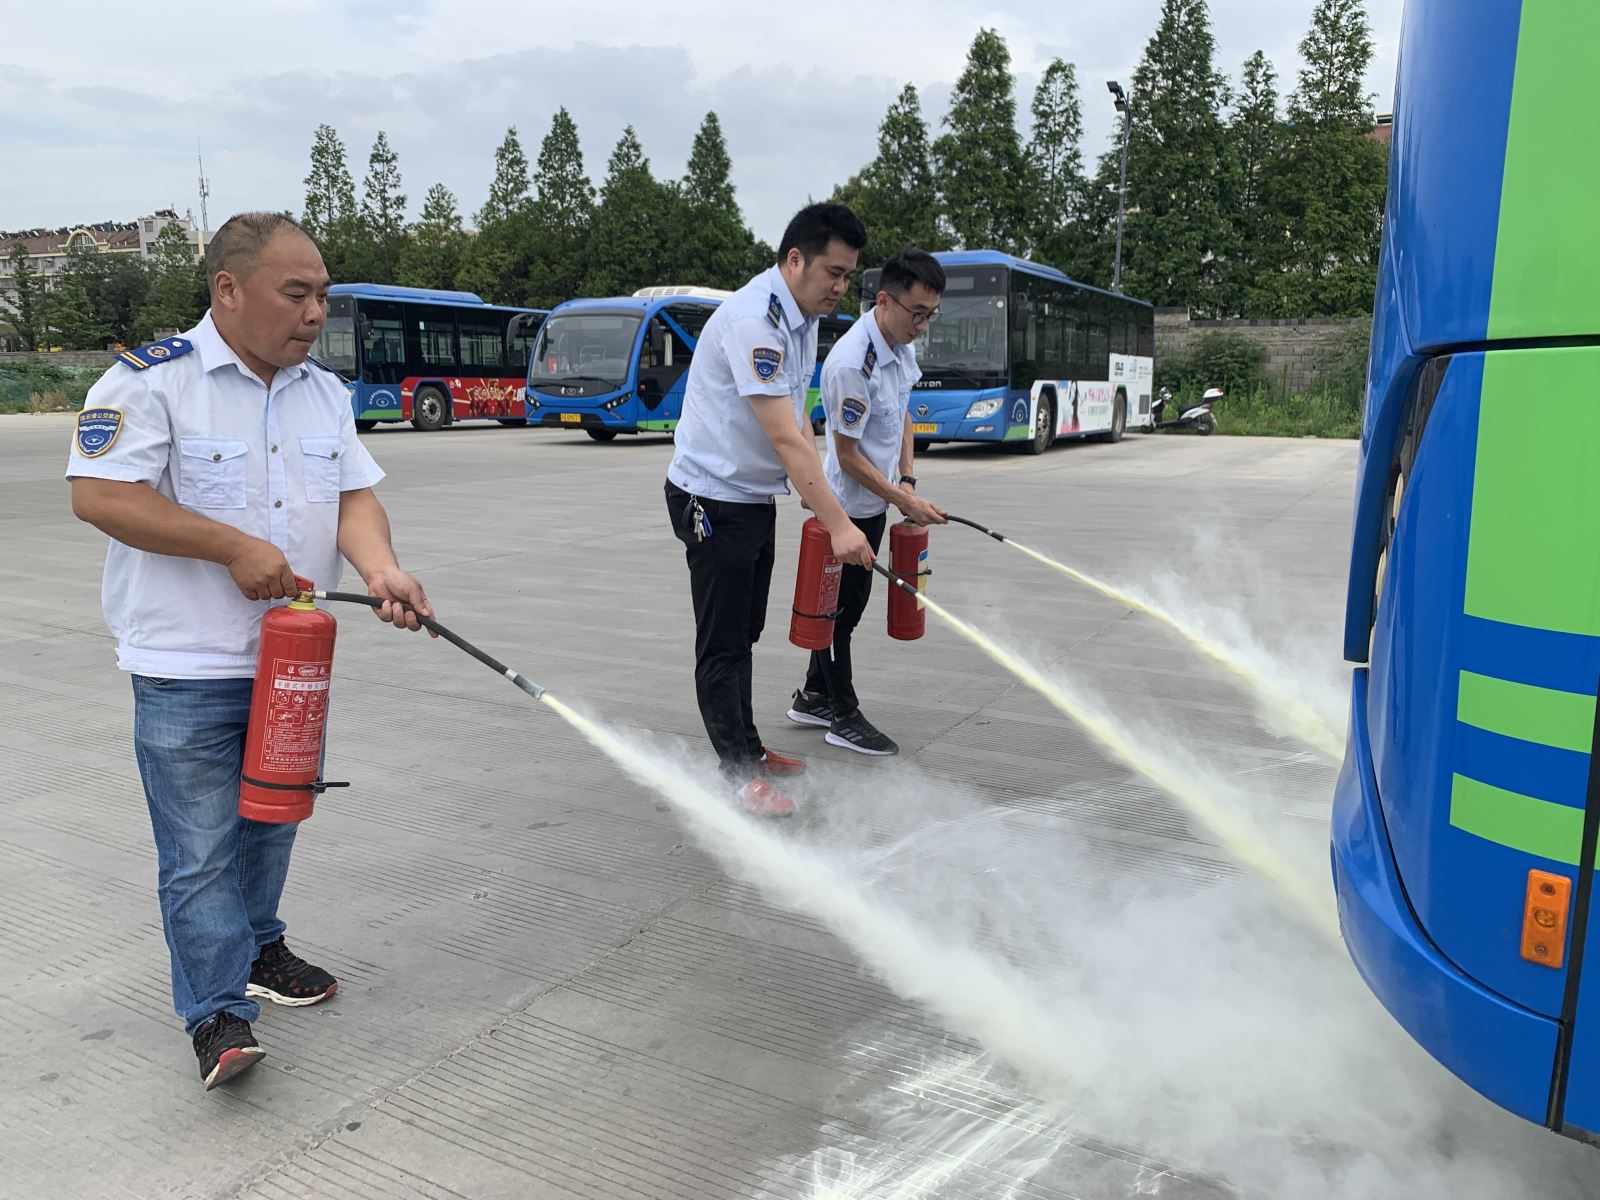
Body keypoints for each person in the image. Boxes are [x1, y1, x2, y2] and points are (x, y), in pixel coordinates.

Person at [65, 212, 434, 1091]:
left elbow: (353, 497)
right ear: (227, 289)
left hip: (292, 662)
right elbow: (99, 494)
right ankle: (217, 1012)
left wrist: (381, 568)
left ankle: (260, 945)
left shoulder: (322, 392)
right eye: (295, 293)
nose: (315, 313)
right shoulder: (154, 381)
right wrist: (230, 546)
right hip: (186, 664)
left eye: (323, 296)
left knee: (273, 822)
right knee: (199, 851)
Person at [664, 202, 872, 819]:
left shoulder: (801, 319)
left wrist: (818, 494)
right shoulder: (755, 319)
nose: (841, 287)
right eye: (833, 272)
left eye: (848, 276)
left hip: (752, 498)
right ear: (795, 259)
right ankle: (737, 776)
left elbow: (798, 417)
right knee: (723, 641)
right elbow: (784, 436)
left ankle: (749, 749)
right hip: (710, 498)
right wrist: (838, 523)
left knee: (746, 630)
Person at [786, 250, 948, 755]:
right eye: (916, 313)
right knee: (840, 617)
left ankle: (814, 695)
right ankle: (844, 715)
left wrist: (908, 481)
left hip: (875, 502)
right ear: (884, 301)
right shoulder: (852, 364)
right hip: (845, 510)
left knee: (843, 608)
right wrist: (902, 498)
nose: (922, 326)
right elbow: (848, 456)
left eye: (931, 315)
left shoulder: (899, 346)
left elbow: (902, 414)